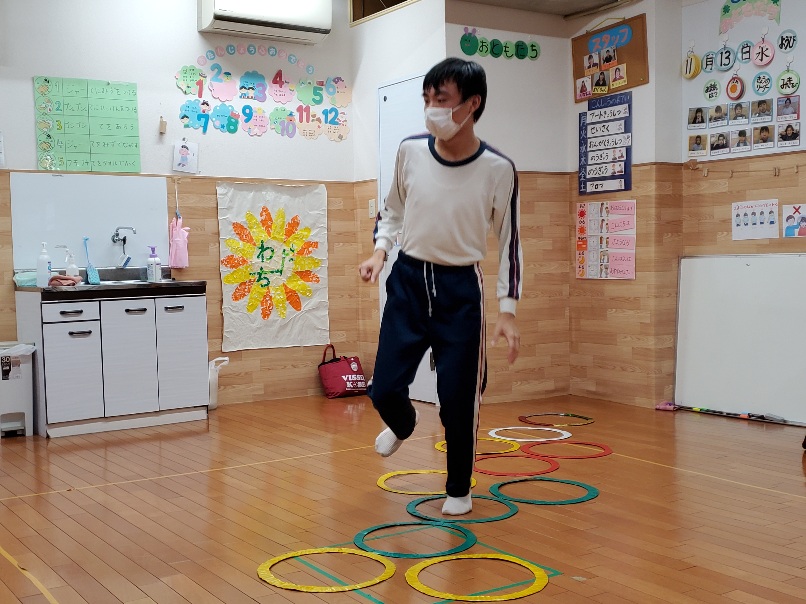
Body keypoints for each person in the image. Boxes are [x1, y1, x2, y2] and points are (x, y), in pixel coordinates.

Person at [358, 58, 522, 517]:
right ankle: (403, 423)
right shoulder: (410, 151)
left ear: (472, 104)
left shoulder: (498, 168)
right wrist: (379, 252)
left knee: (458, 399)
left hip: (460, 289)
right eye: (427, 99)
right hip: (408, 281)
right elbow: (392, 210)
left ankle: (458, 488)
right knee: (384, 388)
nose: (432, 108)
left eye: (442, 99)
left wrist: (507, 310)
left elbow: (510, 240)